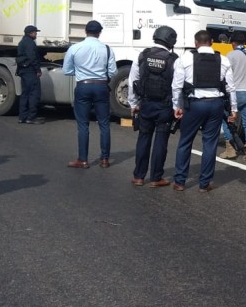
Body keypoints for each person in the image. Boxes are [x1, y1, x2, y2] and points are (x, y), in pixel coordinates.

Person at [172, 30, 237, 193]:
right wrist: (233, 110)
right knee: (210, 144)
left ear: (195, 43)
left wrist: (177, 106)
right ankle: (204, 183)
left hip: (194, 104)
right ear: (212, 42)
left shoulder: (185, 58)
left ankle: (180, 181)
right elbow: (231, 87)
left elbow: (176, 86)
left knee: (185, 141)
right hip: (215, 104)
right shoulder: (223, 60)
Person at [127, 26, 178, 188]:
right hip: (165, 106)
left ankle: (138, 176)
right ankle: (156, 178)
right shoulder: (174, 59)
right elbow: (177, 86)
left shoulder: (142, 56)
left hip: (146, 104)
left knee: (143, 138)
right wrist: (178, 107)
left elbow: (132, 81)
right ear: (171, 41)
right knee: (160, 141)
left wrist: (133, 103)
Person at [62, 20, 117, 169]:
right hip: (101, 86)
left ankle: (83, 159)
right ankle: (104, 159)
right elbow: (113, 71)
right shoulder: (106, 49)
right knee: (104, 124)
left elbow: (66, 70)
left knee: (83, 124)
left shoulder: (75, 48)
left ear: (85, 31)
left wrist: (81, 73)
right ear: (99, 33)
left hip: (83, 86)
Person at [219, 31, 246, 162]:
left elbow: (223, 75)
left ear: (233, 43)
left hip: (234, 93)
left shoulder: (230, 55)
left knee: (227, 120)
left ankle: (230, 149)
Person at [16, 25, 43, 124]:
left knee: (25, 94)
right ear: (30, 33)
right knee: (34, 94)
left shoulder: (22, 42)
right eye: (35, 32)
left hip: (23, 71)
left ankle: (22, 117)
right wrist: (38, 70)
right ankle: (31, 117)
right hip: (30, 71)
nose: (36, 34)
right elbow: (32, 57)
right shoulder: (30, 43)